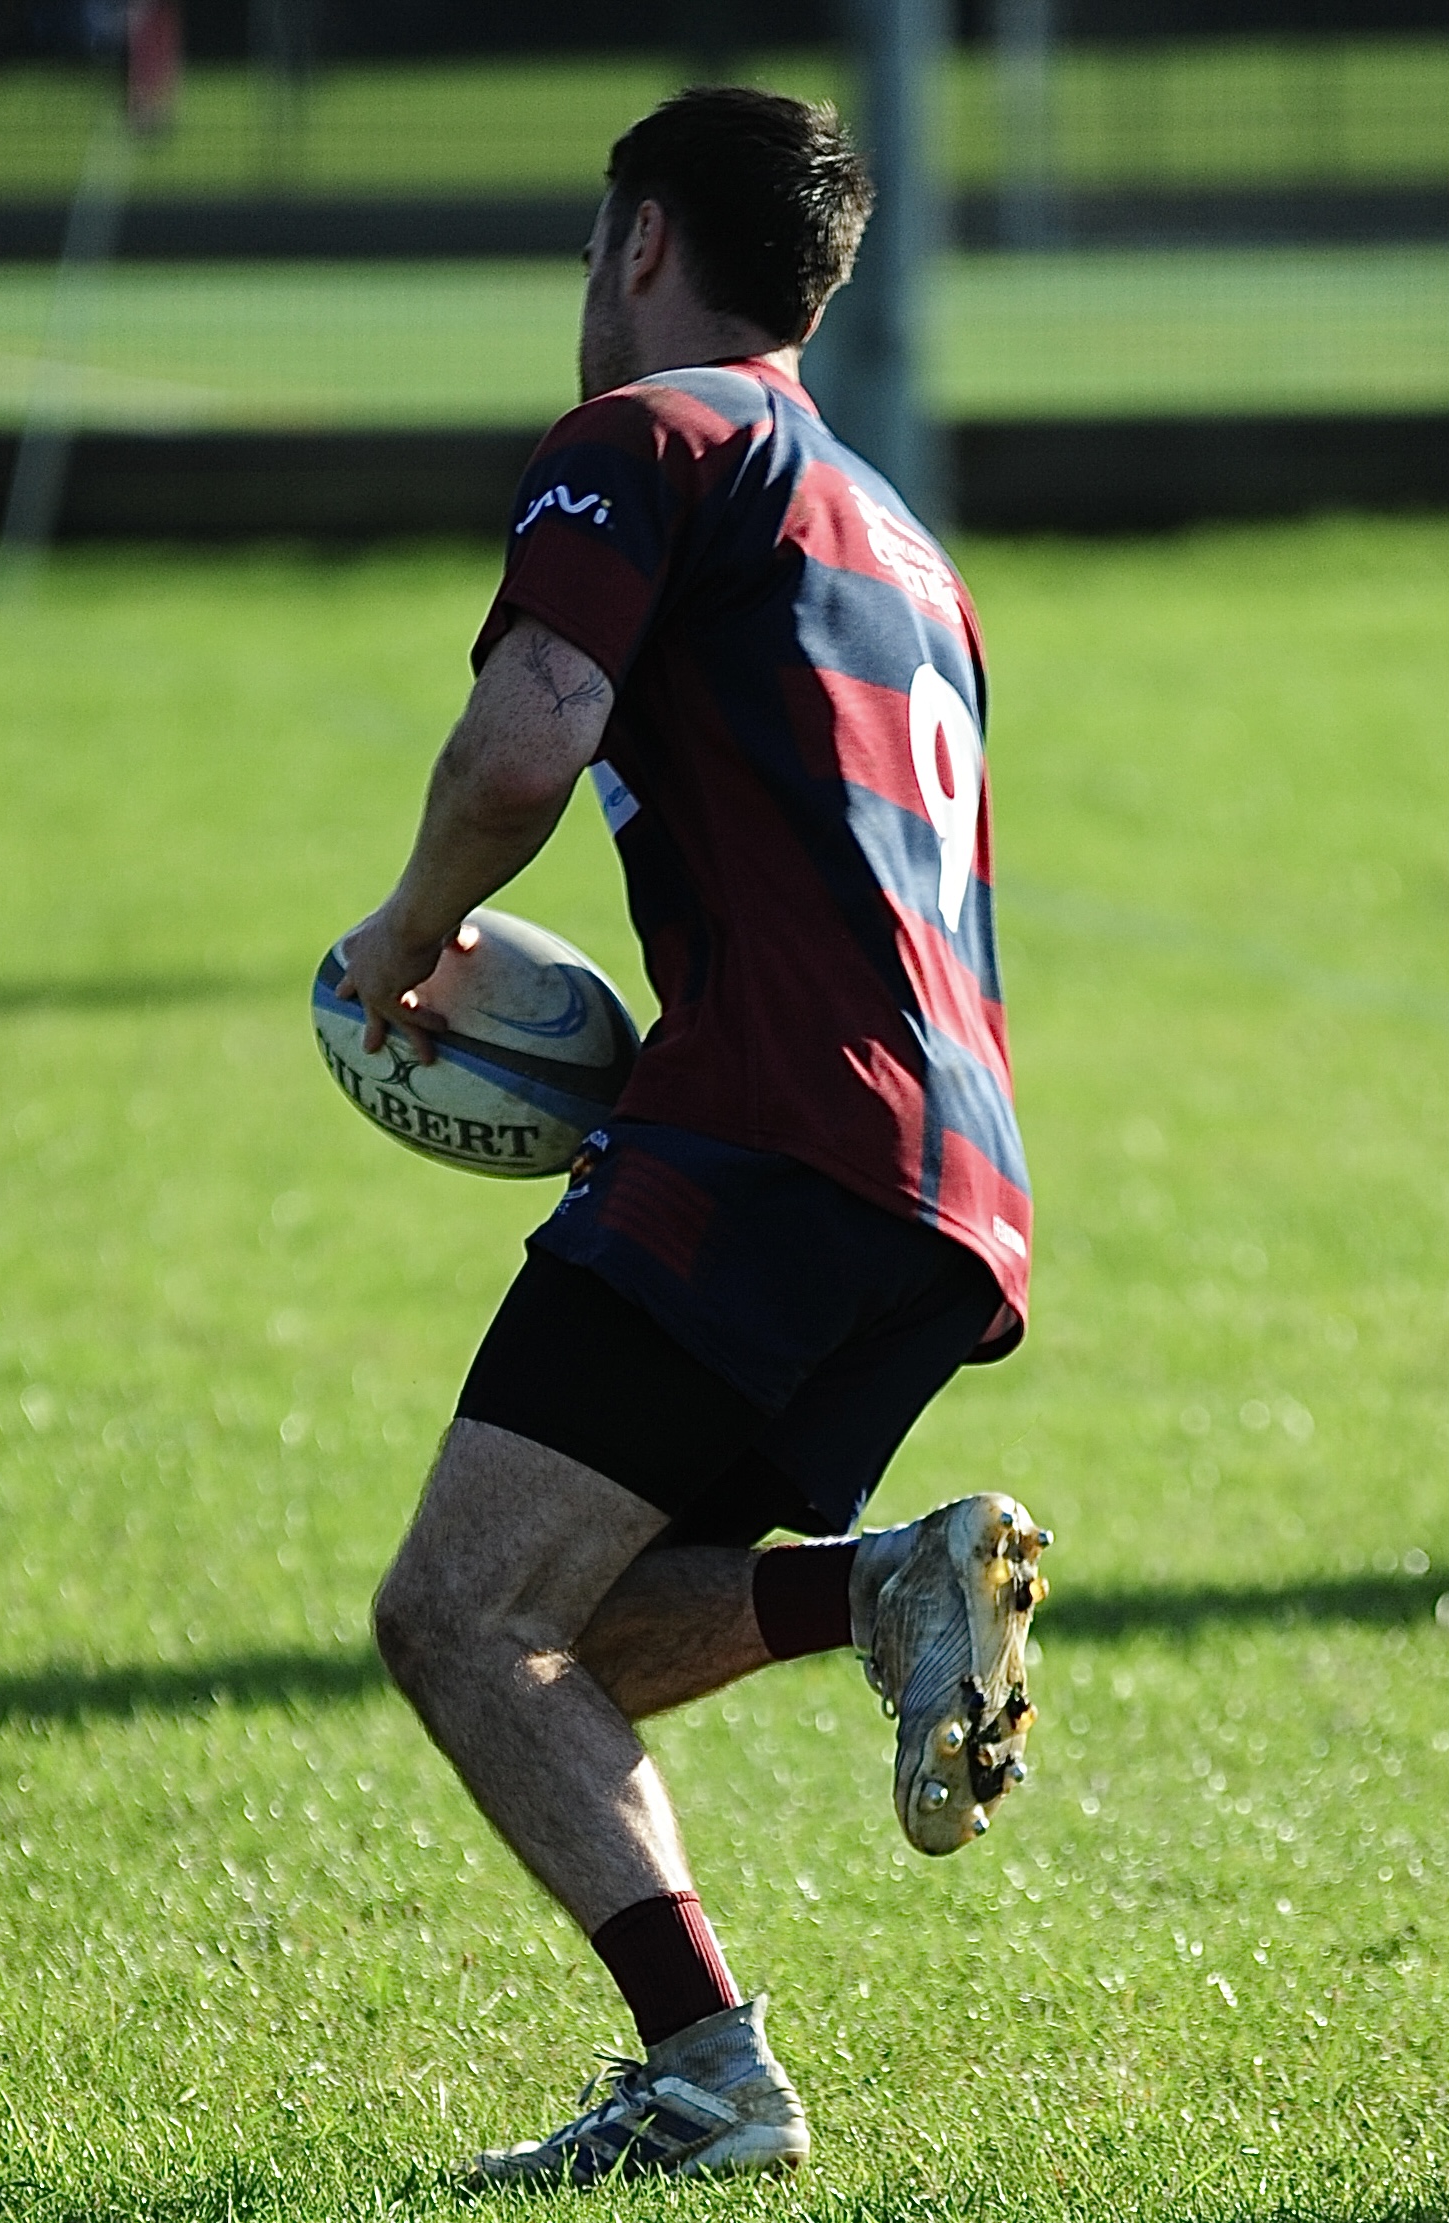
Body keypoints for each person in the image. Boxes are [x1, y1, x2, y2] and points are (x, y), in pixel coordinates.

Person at [338, 85, 1050, 2189]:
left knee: (457, 1614)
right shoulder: (898, 536)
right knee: (590, 1614)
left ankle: (709, 2071)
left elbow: (528, 736)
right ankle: (888, 1588)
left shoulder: (649, 435)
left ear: (643, 240)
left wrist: (404, 939)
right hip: (946, 1184)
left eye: (592, 246)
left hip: (764, 1130)